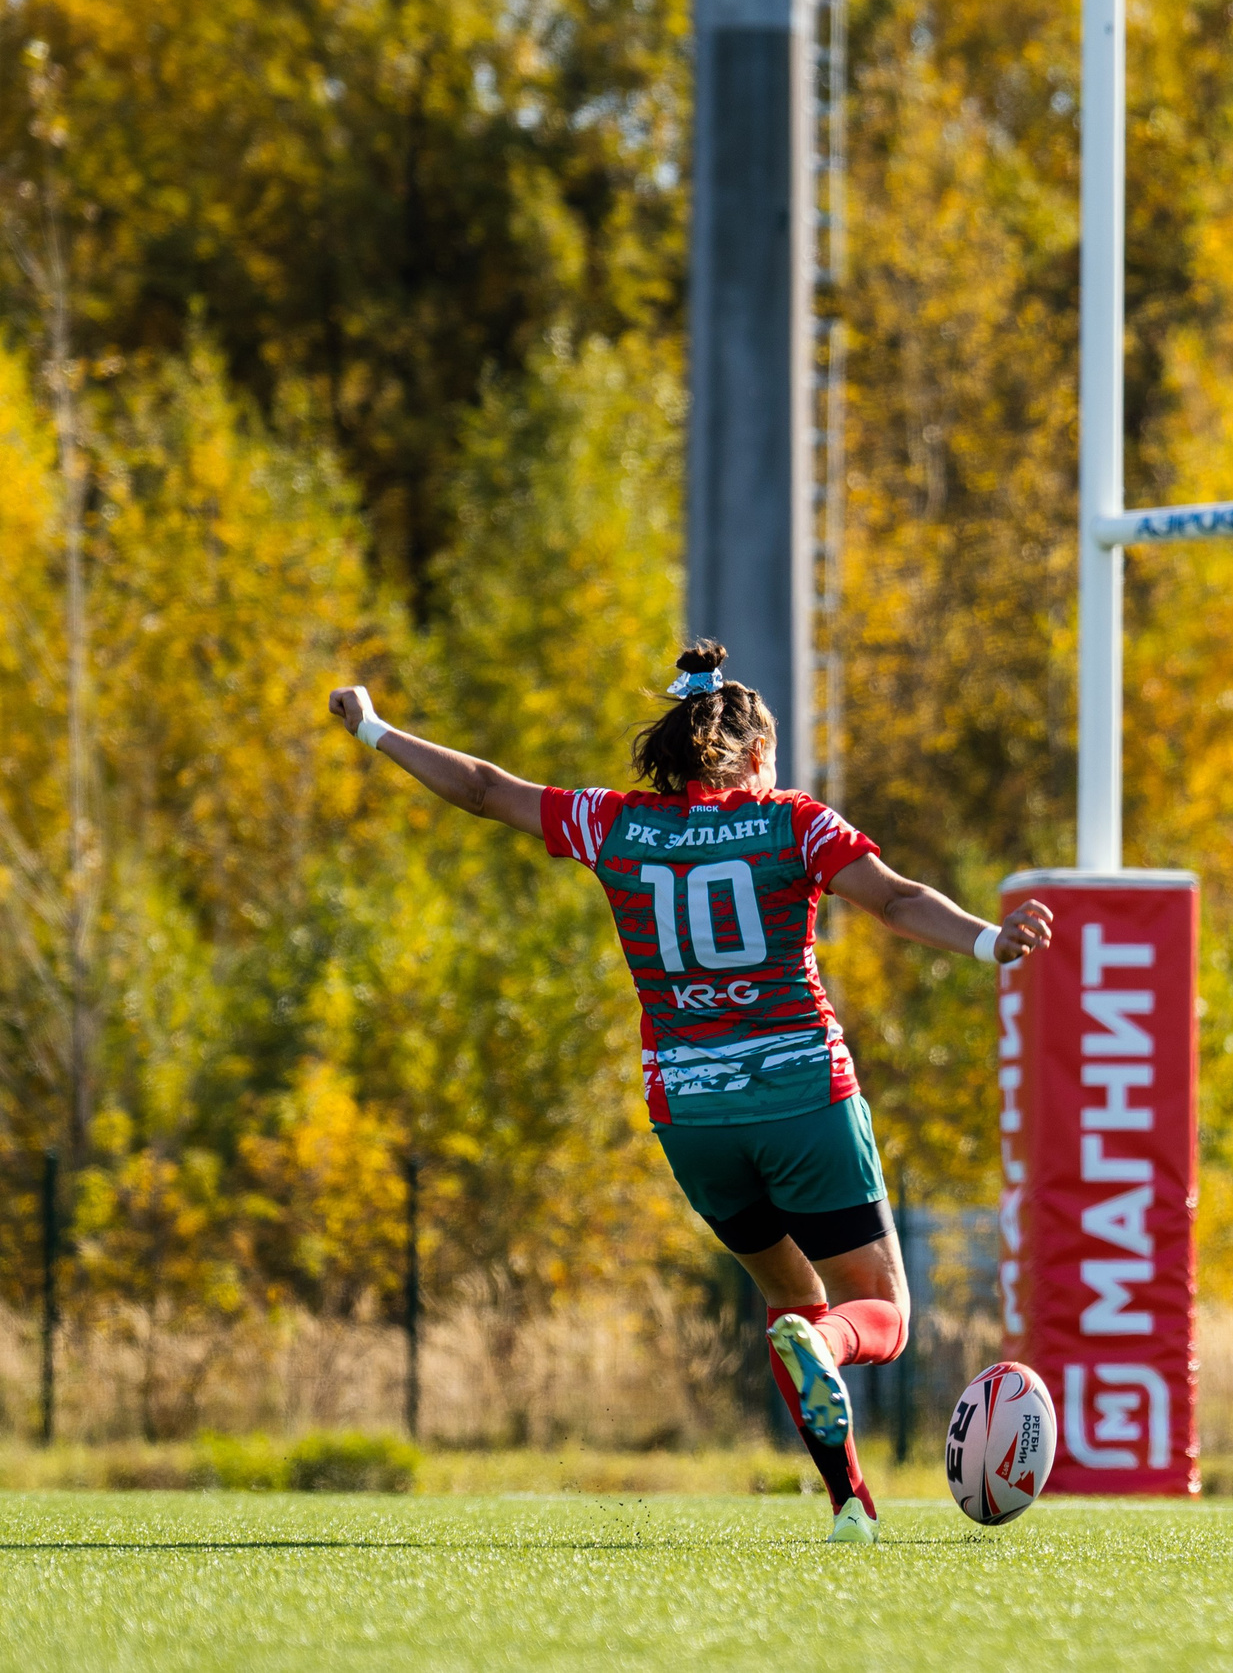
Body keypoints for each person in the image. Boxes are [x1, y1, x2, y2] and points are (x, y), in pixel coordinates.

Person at [326, 640, 1053, 1544]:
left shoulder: (616, 824)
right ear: (752, 756)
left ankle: (850, 1505)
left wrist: (377, 730)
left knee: (787, 1299)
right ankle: (829, 1348)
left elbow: (483, 786)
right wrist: (990, 941)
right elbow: (896, 899)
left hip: (692, 1113)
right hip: (799, 1092)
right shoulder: (791, 821)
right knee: (881, 1315)